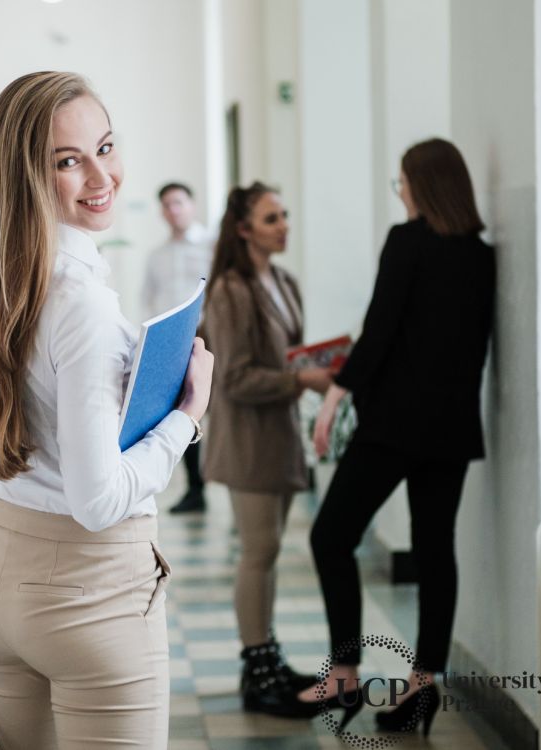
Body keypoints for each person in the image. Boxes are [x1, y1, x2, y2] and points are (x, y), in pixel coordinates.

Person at [0, 71, 214, 750]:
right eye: (67, 160)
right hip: (86, 593)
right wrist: (188, 414)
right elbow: (98, 499)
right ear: (25, 173)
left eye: (106, 147)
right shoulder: (80, 304)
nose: (100, 174)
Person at [288, 138, 495, 736]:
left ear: (423, 186)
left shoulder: (407, 242)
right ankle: (422, 688)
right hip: (452, 428)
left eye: (401, 181)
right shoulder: (480, 257)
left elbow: (379, 331)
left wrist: (333, 395)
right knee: (436, 552)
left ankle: (346, 675)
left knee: (331, 536)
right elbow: (470, 349)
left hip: (394, 425)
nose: (399, 190)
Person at [201, 182, 332, 715]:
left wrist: (319, 368)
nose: (283, 225)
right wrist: (302, 382)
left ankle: (269, 658)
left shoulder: (284, 281)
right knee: (258, 553)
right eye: (271, 217)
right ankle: (257, 673)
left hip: (279, 436)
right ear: (243, 229)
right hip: (248, 440)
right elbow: (232, 379)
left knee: (271, 552)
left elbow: (287, 357)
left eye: (285, 215)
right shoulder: (231, 290)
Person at [142, 183, 213, 513]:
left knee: (218, 407)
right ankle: (195, 488)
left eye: (179, 203)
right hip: (175, 341)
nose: (174, 210)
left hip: (210, 333)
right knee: (184, 408)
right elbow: (149, 298)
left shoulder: (211, 246)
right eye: (167, 205)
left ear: (191, 205)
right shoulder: (157, 255)